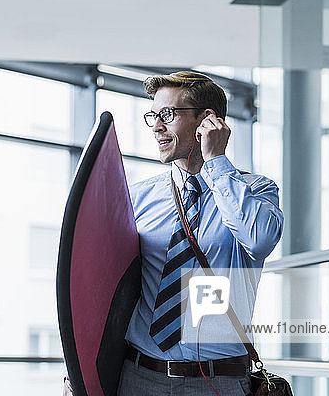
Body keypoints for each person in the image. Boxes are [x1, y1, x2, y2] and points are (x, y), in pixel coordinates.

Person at [117, 71, 284, 395]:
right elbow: (105, 284)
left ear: (207, 120)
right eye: (153, 115)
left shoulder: (255, 189)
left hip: (218, 381)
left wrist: (216, 162)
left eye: (167, 115)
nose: (156, 126)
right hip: (139, 375)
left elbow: (259, 240)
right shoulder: (138, 196)